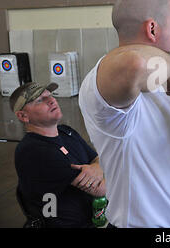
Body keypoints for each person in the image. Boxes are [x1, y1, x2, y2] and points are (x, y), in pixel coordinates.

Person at [78, 0, 170, 228]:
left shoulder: (156, 74)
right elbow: (133, 63)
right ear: (152, 29)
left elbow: (165, 116)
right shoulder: (110, 80)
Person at [11, 82, 106, 228]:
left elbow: (97, 158)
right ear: (23, 116)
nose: (52, 100)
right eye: (40, 100)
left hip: (92, 218)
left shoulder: (66, 132)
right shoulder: (33, 151)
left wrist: (97, 167)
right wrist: (104, 168)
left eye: (50, 95)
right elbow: (100, 189)